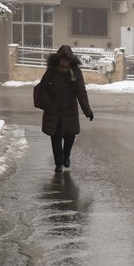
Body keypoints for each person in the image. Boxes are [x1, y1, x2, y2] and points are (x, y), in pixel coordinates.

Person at [39, 45, 94, 173]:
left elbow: (81, 92)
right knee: (56, 138)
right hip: (54, 110)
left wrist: (88, 111)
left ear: (70, 60)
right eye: (62, 60)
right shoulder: (51, 71)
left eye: (67, 60)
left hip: (70, 109)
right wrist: (49, 103)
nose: (65, 62)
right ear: (59, 59)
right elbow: (42, 88)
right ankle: (58, 163)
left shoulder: (75, 71)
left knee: (70, 136)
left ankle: (66, 154)